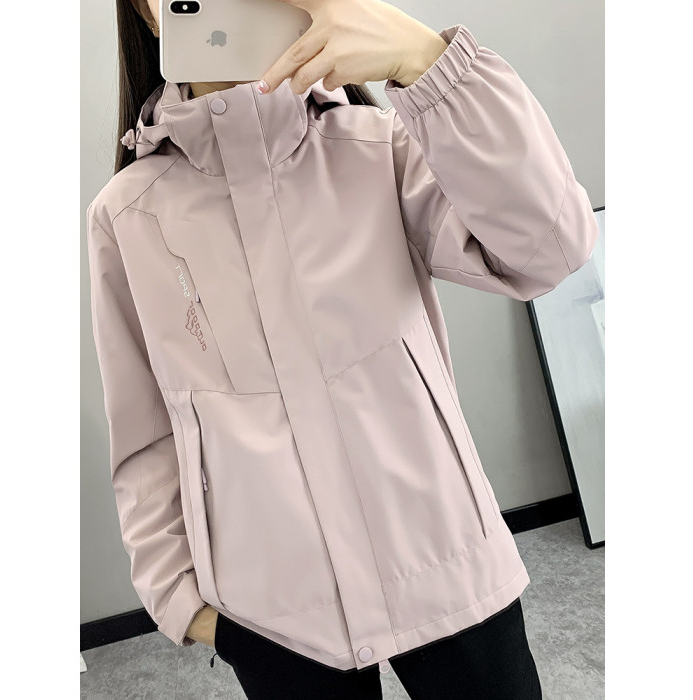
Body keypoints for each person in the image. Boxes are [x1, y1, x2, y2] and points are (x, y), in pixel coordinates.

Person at [86, 0, 598, 697]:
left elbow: (549, 247)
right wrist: (187, 604)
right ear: (147, 15)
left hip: (445, 560)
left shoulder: (378, 146)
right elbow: (145, 433)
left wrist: (426, 62)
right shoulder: (127, 215)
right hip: (275, 616)